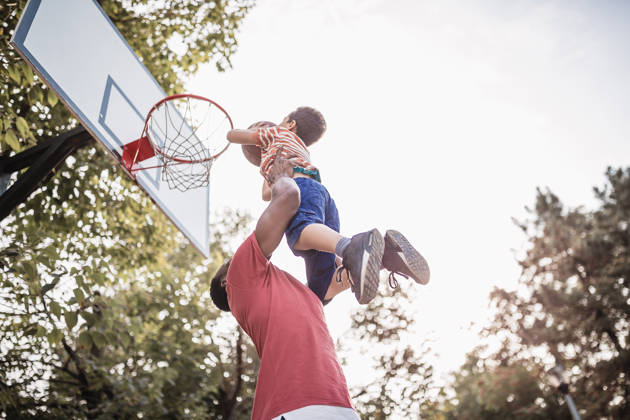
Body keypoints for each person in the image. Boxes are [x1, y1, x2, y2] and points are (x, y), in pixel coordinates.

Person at [210, 155, 360, 419]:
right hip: (291, 408)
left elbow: (344, 278)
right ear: (226, 282)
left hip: (338, 406)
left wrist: (378, 259)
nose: (231, 261)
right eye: (227, 265)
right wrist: (279, 176)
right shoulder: (239, 279)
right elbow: (288, 197)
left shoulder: (304, 295)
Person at [227, 113, 430, 305]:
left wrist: (248, 136)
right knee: (320, 288)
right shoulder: (296, 147)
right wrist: (266, 164)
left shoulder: (273, 134)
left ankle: (350, 246)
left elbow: (234, 135)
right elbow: (266, 192)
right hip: (321, 196)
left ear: (290, 124)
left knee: (300, 231)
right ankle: (389, 256)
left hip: (302, 189)